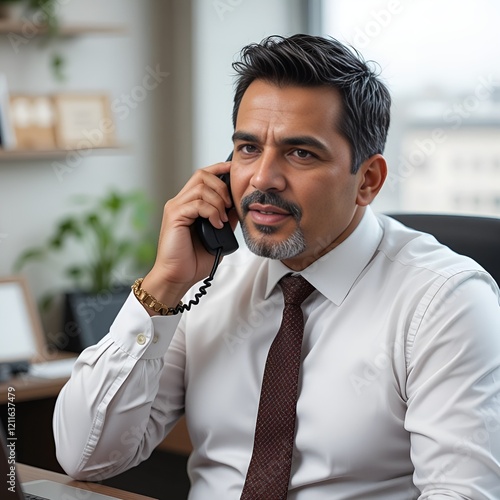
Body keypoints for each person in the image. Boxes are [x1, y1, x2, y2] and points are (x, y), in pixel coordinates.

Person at [53, 34, 500, 499]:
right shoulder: (212, 277)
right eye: (248, 148)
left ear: (368, 180)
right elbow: (86, 456)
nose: (263, 178)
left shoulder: (446, 301)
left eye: (300, 153)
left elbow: (462, 493)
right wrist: (164, 284)